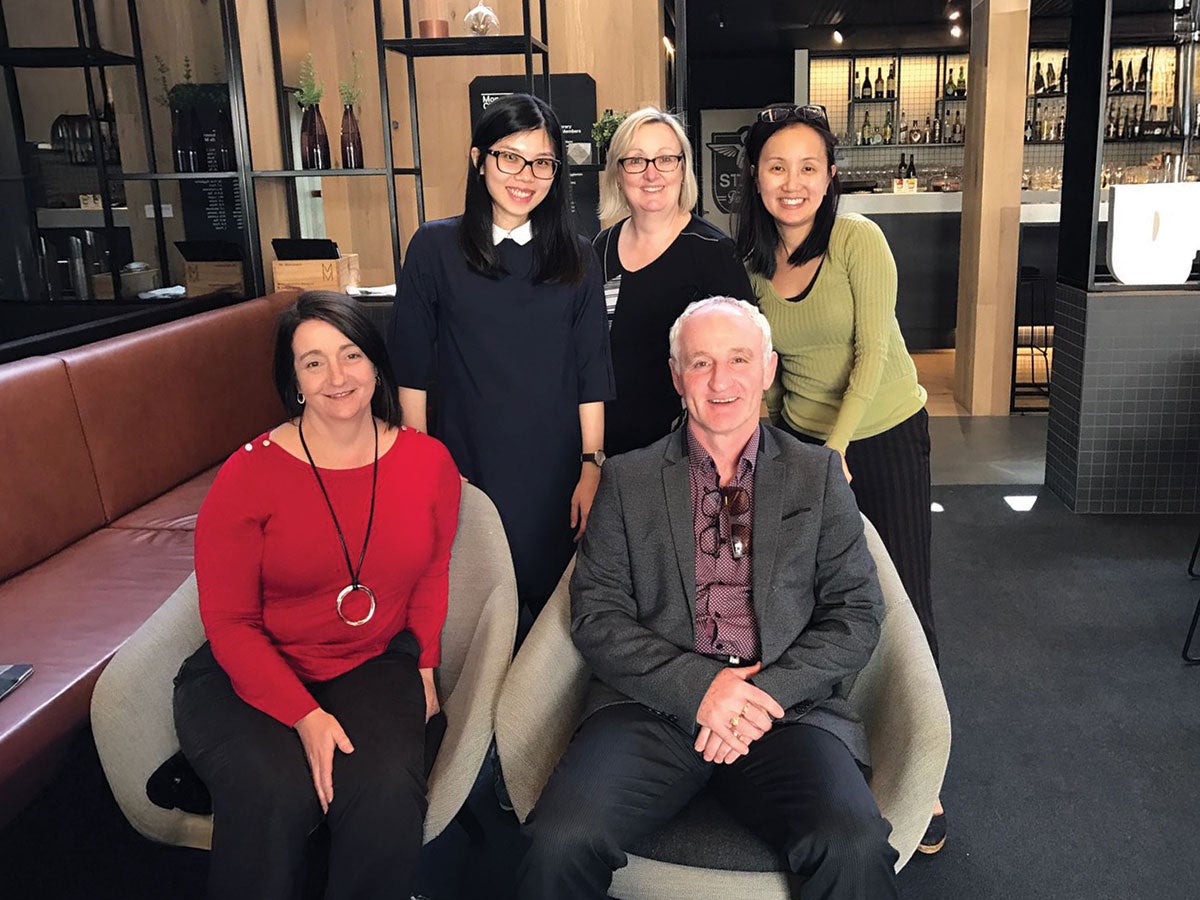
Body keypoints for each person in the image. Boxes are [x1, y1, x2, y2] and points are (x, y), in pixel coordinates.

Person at [519, 297, 899, 899]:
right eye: (700, 363)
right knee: (559, 841)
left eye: (739, 359)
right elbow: (597, 614)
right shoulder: (627, 479)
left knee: (852, 844)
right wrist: (701, 689)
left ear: (768, 369)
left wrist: (756, 697)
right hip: (652, 707)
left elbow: (856, 614)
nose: (721, 381)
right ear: (677, 377)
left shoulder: (818, 474)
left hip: (785, 710)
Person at [174, 291, 461, 900]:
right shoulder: (247, 474)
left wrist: (425, 667)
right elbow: (228, 622)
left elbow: (431, 572)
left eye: (351, 354)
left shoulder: (428, 462)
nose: (337, 377)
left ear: (375, 363)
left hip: (372, 662)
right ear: (294, 381)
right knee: (275, 789)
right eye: (313, 362)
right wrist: (305, 717)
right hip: (250, 670)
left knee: (385, 790)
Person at [734, 102, 944, 853]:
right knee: (816, 599)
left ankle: (929, 775)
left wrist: (838, 448)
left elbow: (872, 354)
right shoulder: (753, 265)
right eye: (777, 166)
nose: (792, 182)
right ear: (756, 176)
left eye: (808, 167)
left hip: (880, 434)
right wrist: (759, 447)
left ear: (830, 176)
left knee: (904, 595)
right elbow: (767, 373)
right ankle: (834, 747)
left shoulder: (859, 241)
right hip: (801, 444)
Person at [388, 93, 614, 624]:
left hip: (555, 467)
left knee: (553, 610)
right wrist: (424, 467)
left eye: (542, 163)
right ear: (479, 159)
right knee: (475, 605)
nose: (525, 176)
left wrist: (592, 465)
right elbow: (411, 368)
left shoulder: (578, 255)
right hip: (467, 462)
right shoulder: (434, 248)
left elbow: (591, 370)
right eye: (510, 157)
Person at [594, 107, 754, 455]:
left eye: (665, 159)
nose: (651, 173)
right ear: (618, 174)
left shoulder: (712, 251)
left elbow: (747, 362)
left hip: (686, 454)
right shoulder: (601, 248)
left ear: (683, 170)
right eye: (636, 160)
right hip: (610, 451)